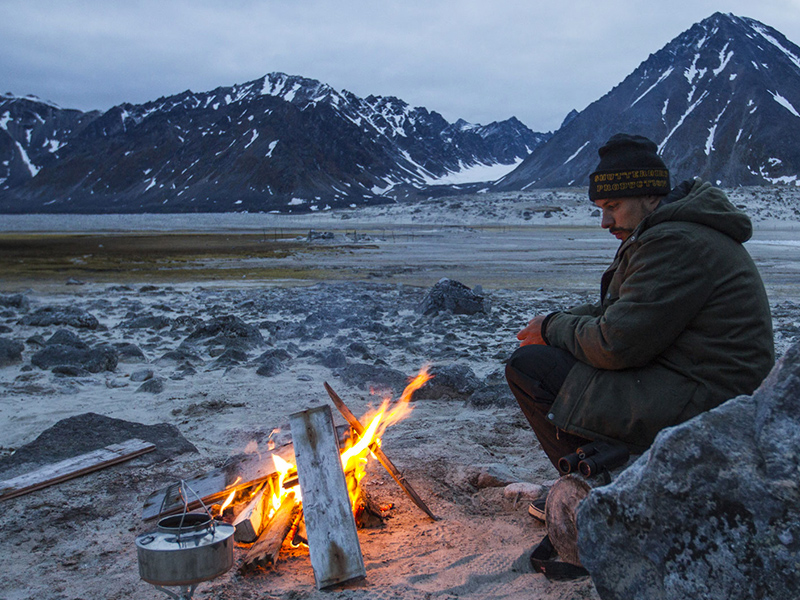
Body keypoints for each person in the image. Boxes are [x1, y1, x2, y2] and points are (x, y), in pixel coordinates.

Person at [505, 133, 775, 483]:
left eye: (613, 206)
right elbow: (621, 309)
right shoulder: (672, 232)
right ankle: (607, 466)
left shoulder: (675, 242)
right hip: (696, 383)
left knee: (531, 368)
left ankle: (591, 488)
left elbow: (614, 344)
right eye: (601, 209)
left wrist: (551, 328)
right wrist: (557, 322)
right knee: (557, 353)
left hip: (709, 401)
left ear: (650, 195)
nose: (605, 222)